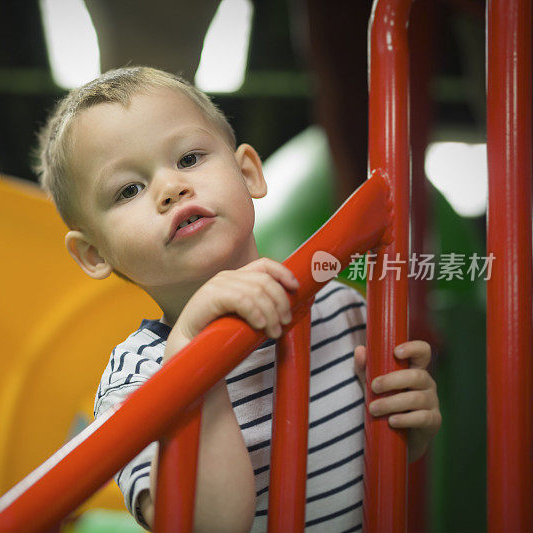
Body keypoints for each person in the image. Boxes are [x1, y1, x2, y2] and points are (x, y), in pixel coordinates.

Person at [34, 66, 441, 533]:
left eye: (189, 159)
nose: (171, 188)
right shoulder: (134, 380)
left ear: (248, 172)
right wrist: (191, 351)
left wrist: (408, 427)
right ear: (93, 253)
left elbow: (362, 472)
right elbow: (207, 524)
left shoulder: (339, 310)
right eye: (129, 189)